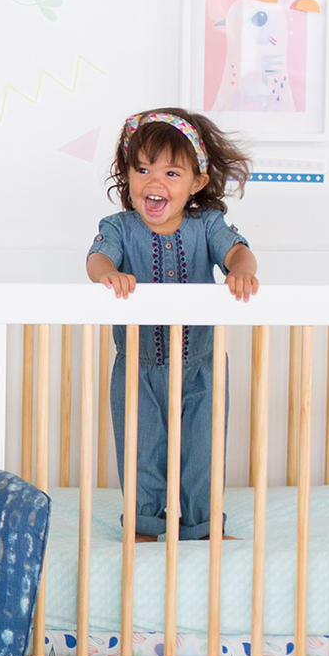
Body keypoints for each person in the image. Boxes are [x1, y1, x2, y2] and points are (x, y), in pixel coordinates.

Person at [85, 108, 258, 540]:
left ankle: (202, 526)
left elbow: (239, 251)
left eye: (171, 172)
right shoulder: (120, 228)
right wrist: (108, 273)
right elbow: (97, 258)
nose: (154, 181)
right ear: (128, 175)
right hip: (138, 366)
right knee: (141, 449)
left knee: (203, 448)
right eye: (142, 169)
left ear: (197, 182)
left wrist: (239, 270)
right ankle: (143, 525)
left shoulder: (207, 225)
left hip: (201, 364)